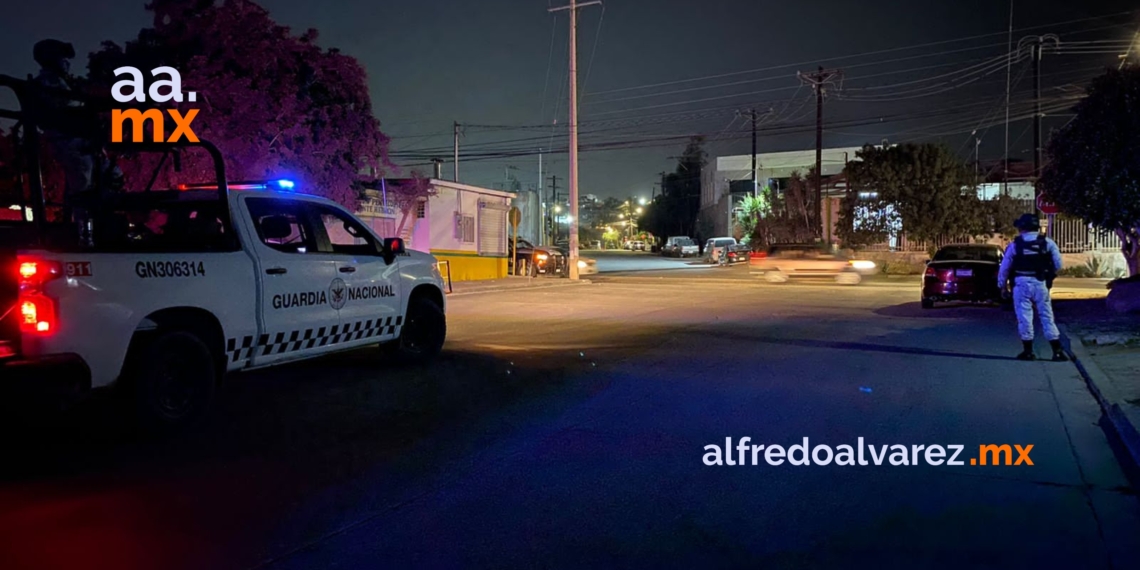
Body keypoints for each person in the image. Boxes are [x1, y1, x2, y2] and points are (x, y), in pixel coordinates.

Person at [997, 214, 1067, 361]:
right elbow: (1059, 265)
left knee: (1024, 317)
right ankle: (1057, 351)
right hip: (1041, 283)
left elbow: (1005, 268)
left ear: (1022, 227)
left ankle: (1028, 352)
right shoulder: (1048, 243)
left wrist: (1002, 286)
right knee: (1047, 316)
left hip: (1021, 284)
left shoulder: (1015, 245)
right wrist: (1048, 274)